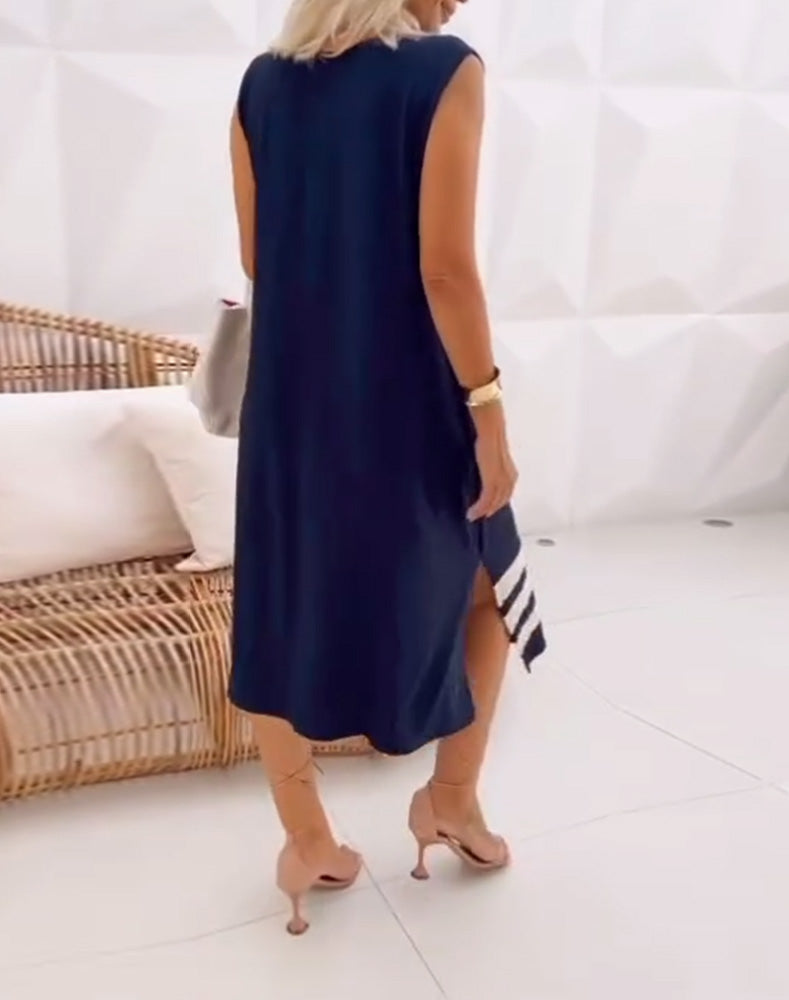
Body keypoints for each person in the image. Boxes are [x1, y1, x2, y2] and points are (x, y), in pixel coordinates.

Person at [228, 0, 545, 936]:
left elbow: (258, 256)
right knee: (490, 581)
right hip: (408, 394)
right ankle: (451, 801)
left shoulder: (260, 84)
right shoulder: (445, 69)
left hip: (292, 399)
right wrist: (488, 408)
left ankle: (306, 839)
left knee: (281, 601)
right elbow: (444, 269)